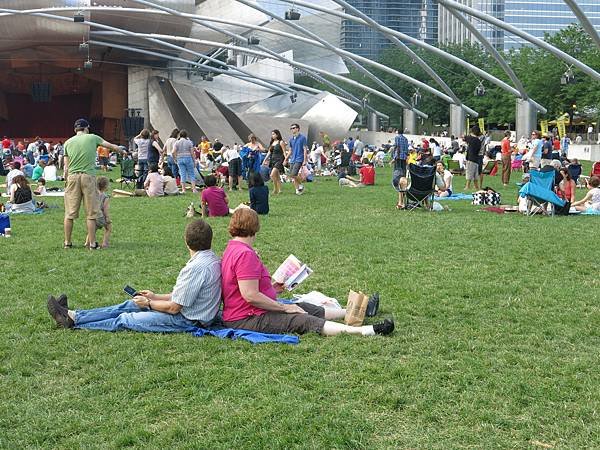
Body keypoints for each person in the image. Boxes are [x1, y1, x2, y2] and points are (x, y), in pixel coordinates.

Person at [220, 209, 394, 336]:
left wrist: (274, 289)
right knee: (300, 319)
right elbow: (250, 295)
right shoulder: (244, 254)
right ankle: (365, 331)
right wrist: (284, 307)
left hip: (249, 312)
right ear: (255, 227)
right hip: (245, 318)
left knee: (306, 307)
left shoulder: (233, 248)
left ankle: (360, 312)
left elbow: (245, 287)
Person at [47, 219, 222, 331]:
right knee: (128, 305)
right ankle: (73, 315)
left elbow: (174, 308)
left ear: (186, 241)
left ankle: (74, 323)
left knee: (125, 318)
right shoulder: (211, 259)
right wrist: (155, 296)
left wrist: (150, 303)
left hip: (186, 320)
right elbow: (184, 296)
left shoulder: (195, 268)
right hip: (192, 313)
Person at [63, 118, 122, 250]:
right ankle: (92, 243)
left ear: (75, 130)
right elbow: (110, 146)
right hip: (88, 177)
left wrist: (66, 179)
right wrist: (121, 150)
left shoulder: (67, 142)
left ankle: (67, 242)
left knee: (69, 213)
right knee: (91, 213)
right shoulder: (93, 138)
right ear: (86, 128)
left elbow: (65, 166)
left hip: (72, 177)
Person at [85, 176, 112, 249]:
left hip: (93, 215)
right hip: (101, 216)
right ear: (106, 186)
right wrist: (107, 218)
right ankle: (105, 243)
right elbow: (105, 209)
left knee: (92, 230)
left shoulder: (94, 195)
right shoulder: (105, 197)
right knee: (108, 228)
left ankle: (87, 242)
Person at [173, 130, 198, 194]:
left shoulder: (177, 142)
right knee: (191, 174)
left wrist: (175, 158)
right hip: (188, 158)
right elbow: (192, 153)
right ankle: (194, 189)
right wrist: (194, 160)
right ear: (186, 135)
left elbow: (173, 152)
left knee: (182, 174)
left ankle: (183, 189)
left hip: (180, 159)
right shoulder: (189, 142)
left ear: (180, 135)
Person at [263, 129, 287, 195]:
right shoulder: (272, 142)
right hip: (272, 160)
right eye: (272, 134)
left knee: (272, 175)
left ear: (277, 134)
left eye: (273, 134)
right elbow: (269, 152)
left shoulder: (281, 142)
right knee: (277, 176)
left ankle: (275, 189)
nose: (272, 135)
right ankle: (280, 190)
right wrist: (264, 160)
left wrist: (286, 159)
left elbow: (284, 152)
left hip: (279, 160)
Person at [286, 123, 308, 195]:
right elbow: (290, 151)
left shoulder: (302, 138)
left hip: (299, 158)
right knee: (292, 175)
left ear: (298, 129)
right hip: (292, 159)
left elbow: (305, 149)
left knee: (293, 174)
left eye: (294, 128)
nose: (292, 129)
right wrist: (286, 159)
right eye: (291, 128)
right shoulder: (291, 140)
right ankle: (297, 190)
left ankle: (301, 185)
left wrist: (304, 160)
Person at [464, 126, 482, 190]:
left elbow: (465, 137)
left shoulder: (471, 139)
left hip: (471, 158)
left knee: (469, 173)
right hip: (476, 158)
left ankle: (467, 186)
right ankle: (476, 186)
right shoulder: (478, 141)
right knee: (475, 174)